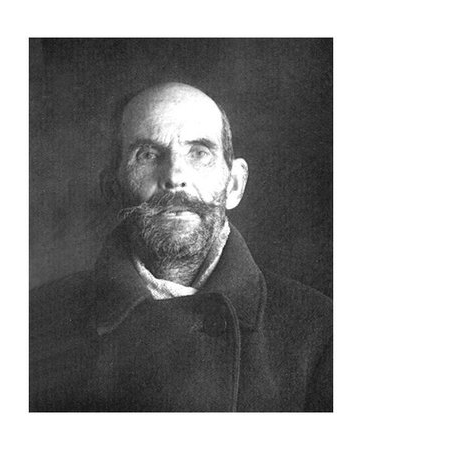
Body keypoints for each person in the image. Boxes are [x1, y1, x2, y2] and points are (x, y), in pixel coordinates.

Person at [29, 82, 332, 412]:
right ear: (113, 188)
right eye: (148, 155)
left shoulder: (320, 329)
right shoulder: (37, 320)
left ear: (234, 185)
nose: (175, 176)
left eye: (199, 153)